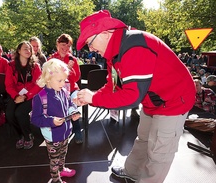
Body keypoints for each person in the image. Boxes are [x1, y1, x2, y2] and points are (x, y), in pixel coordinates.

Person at [75, 10, 196, 183]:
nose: (91, 49)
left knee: (159, 152)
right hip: (152, 100)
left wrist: (93, 99)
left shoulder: (134, 46)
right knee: (144, 138)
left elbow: (132, 97)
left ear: (105, 33)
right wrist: (92, 96)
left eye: (90, 43)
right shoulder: (115, 53)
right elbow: (113, 85)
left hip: (174, 100)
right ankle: (131, 172)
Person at [31, 58, 80, 183]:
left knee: (63, 154)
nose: (63, 83)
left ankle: (62, 169)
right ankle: (55, 179)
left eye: (64, 80)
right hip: (52, 136)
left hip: (65, 132)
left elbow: (70, 104)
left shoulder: (63, 91)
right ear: (48, 79)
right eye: (60, 80)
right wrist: (51, 121)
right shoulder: (40, 98)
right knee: (54, 159)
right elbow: (35, 119)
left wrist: (73, 112)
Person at [5, 41, 42, 150]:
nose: (28, 51)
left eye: (29, 49)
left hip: (31, 95)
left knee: (20, 113)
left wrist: (26, 96)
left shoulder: (35, 66)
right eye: (25, 48)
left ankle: (28, 136)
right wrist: (16, 96)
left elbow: (39, 85)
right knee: (9, 114)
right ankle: (20, 135)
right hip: (16, 95)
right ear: (19, 51)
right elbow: (8, 85)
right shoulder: (11, 66)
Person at [48, 33, 83, 144]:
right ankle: (62, 131)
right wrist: (65, 69)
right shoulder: (52, 59)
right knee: (58, 104)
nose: (66, 48)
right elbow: (49, 75)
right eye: (63, 45)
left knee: (73, 103)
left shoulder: (72, 59)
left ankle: (77, 130)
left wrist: (70, 70)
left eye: (68, 46)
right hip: (57, 89)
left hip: (71, 89)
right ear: (58, 44)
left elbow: (76, 77)